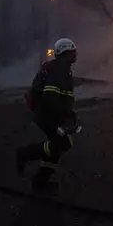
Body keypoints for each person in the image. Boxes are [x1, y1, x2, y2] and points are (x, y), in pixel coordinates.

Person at [16, 38, 79, 191]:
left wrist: (70, 115)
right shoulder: (58, 70)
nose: (76, 54)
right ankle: (25, 153)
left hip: (47, 113)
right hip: (48, 115)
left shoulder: (60, 68)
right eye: (73, 51)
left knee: (59, 146)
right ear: (65, 53)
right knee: (62, 143)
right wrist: (65, 117)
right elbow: (51, 97)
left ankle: (40, 182)